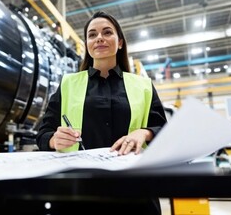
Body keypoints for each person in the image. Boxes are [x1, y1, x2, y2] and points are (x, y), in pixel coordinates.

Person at [36, 11, 167, 214]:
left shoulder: (143, 86)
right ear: (87, 44)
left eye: (107, 32)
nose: (99, 38)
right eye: (92, 34)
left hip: (134, 192)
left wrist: (144, 132)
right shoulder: (68, 84)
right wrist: (54, 140)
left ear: (120, 42)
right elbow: (43, 133)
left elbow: (164, 129)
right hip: (79, 193)